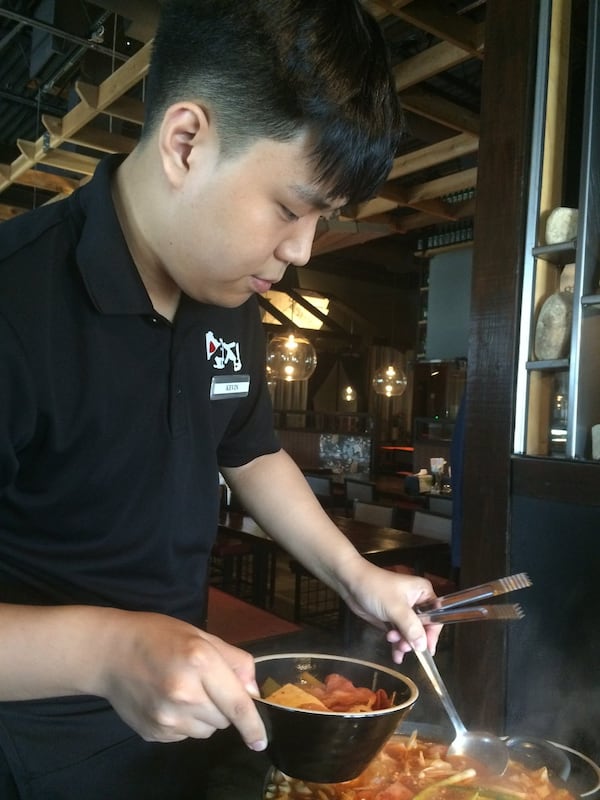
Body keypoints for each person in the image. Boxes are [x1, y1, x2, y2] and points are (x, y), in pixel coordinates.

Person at [0, 1, 441, 797]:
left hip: (192, 720)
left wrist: (353, 576)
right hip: (37, 743)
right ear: (186, 142)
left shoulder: (228, 294)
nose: (300, 251)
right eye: (289, 207)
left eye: (323, 220)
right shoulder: (15, 301)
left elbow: (250, 447)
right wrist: (111, 652)